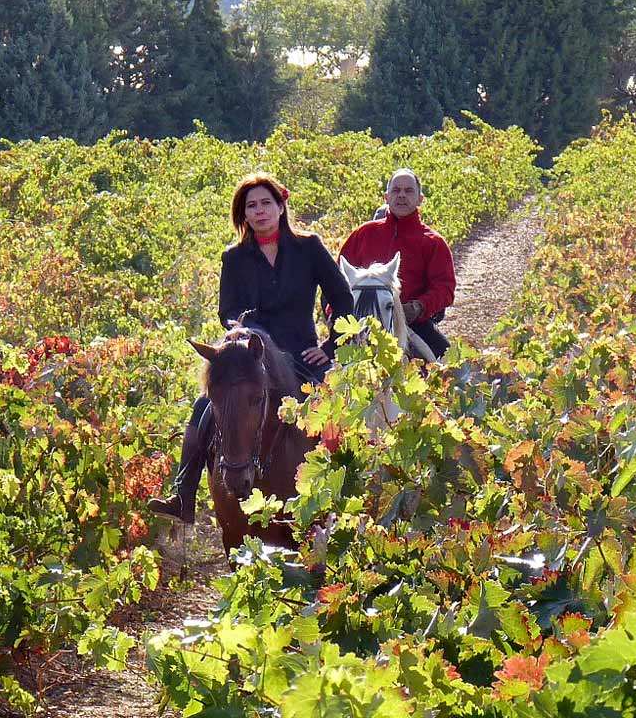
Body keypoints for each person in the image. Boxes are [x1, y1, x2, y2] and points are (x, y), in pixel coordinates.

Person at [146, 172, 353, 524]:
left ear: (281, 206)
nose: (259, 211)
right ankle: (184, 493)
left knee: (340, 413)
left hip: (302, 355)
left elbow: (343, 300)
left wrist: (331, 346)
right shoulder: (235, 257)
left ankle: (350, 493)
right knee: (204, 407)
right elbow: (227, 310)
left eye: (265, 203)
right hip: (251, 356)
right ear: (243, 215)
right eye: (251, 206)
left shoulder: (309, 248)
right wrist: (242, 330)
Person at [339, 168, 456, 358]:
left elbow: (445, 289)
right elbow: (337, 280)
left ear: (420, 199)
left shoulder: (433, 242)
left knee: (448, 366)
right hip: (358, 324)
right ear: (386, 197)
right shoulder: (363, 234)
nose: (401, 196)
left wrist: (418, 307)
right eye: (396, 190)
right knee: (324, 370)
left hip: (413, 324)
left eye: (409, 191)